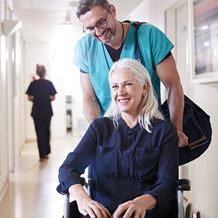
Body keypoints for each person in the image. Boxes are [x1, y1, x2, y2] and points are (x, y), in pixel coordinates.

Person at [57, 59, 178, 218]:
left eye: (127, 84)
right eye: (115, 86)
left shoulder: (164, 132)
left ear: (144, 87)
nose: (120, 92)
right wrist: (82, 198)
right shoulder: (100, 128)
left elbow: (167, 184)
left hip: (146, 213)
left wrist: (141, 203)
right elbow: (67, 168)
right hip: (102, 213)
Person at [74, 0, 188, 147]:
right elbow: (89, 97)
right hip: (110, 134)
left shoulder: (149, 35)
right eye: (90, 28)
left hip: (149, 130)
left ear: (112, 11)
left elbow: (173, 86)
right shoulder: (85, 48)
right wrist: (101, 134)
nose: (98, 32)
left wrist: (176, 130)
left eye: (101, 22)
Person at [26, 64, 57, 161]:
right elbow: (53, 97)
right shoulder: (49, 83)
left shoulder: (33, 84)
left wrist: (36, 99)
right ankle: (46, 152)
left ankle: (42, 155)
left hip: (36, 112)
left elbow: (29, 97)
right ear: (45, 72)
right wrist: (46, 99)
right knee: (46, 131)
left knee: (39, 133)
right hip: (47, 111)